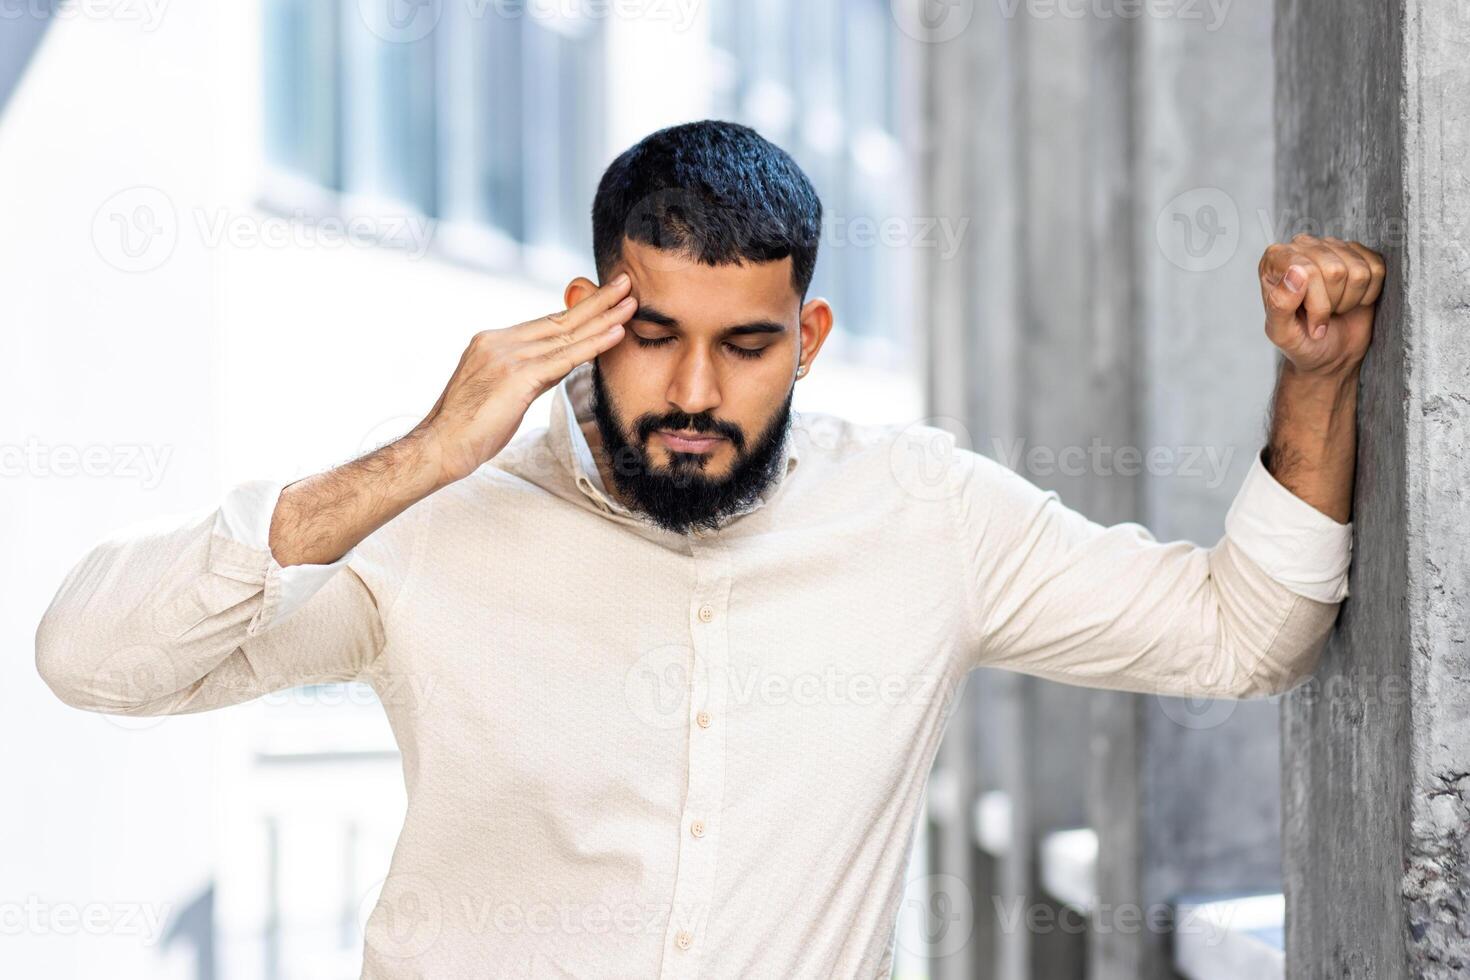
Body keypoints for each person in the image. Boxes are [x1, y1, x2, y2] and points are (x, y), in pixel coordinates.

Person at [35, 120, 1383, 978]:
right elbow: (93, 663)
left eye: (743, 346)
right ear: (582, 312)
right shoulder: (433, 526)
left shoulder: (925, 516)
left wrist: (1314, 380)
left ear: (805, 341)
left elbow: (1242, 634)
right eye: (649, 334)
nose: (690, 392)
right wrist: (415, 461)